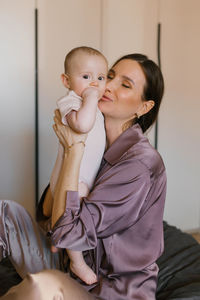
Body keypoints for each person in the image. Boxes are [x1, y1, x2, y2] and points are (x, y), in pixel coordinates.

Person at [0, 53, 166, 300]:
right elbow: (48, 213)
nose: (106, 85)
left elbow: (65, 232)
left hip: (108, 289)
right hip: (69, 265)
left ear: (143, 107)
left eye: (125, 84)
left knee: (43, 288)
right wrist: (70, 149)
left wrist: (73, 150)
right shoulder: (95, 139)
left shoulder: (140, 164)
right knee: (5, 212)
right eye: (109, 76)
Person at [48, 46, 108, 285]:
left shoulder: (88, 103)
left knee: (80, 217)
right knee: (75, 217)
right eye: (86, 77)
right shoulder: (70, 101)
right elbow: (82, 126)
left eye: (101, 78)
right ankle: (77, 261)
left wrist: (93, 99)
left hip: (82, 177)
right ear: (66, 80)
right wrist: (92, 98)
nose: (94, 84)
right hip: (70, 181)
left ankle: (57, 237)